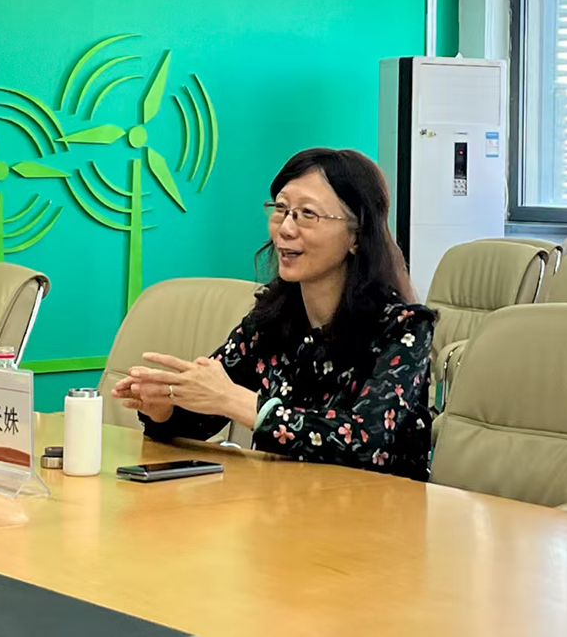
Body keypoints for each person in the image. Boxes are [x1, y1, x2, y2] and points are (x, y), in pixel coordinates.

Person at [111, 148, 436, 480]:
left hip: (379, 506)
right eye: (281, 209)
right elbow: (204, 416)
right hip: (282, 500)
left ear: (357, 235)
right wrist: (165, 409)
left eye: (307, 214)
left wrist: (240, 402)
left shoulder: (403, 329)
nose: (286, 229)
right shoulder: (270, 319)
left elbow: (364, 442)